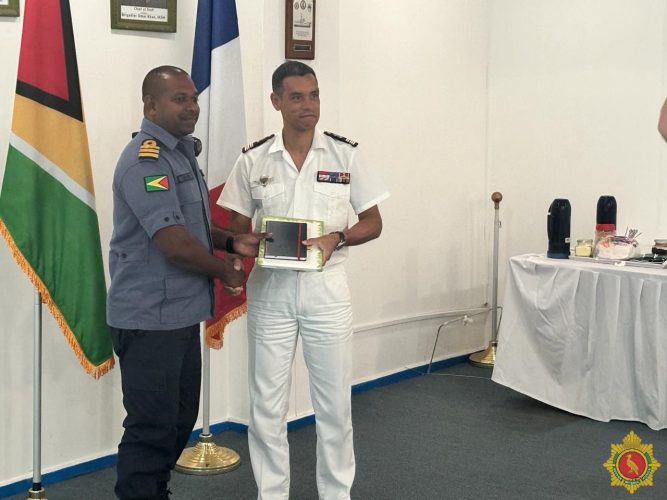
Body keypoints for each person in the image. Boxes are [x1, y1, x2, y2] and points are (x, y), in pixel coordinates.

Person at [218, 60, 390, 500]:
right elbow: (238, 227)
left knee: (334, 405)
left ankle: (336, 494)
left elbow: (373, 221)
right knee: (267, 406)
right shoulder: (253, 158)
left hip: (326, 291)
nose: (308, 105)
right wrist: (241, 251)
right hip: (271, 292)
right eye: (296, 97)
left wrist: (339, 237)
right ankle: (271, 494)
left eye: (313, 95)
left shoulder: (344, 154)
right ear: (276, 102)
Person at [107, 65, 262, 500]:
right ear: (150, 105)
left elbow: (189, 226)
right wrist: (223, 270)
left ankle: (155, 492)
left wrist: (232, 239)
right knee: (151, 428)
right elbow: (174, 242)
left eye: (193, 97)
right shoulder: (146, 161)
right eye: (179, 99)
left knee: (176, 422)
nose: (191, 106)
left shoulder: (181, 154)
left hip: (177, 315)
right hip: (147, 317)